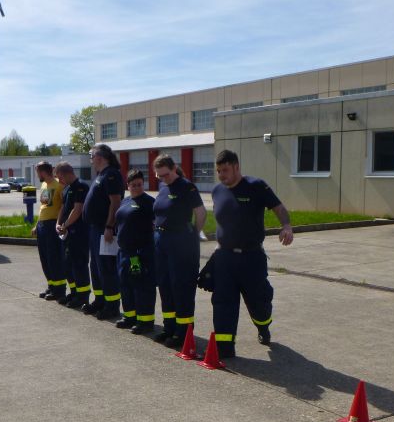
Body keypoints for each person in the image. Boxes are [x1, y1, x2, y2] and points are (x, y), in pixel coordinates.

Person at [211, 149, 294, 358]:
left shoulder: (256, 186)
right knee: (222, 302)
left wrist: (286, 226)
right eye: (219, 171)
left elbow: (279, 207)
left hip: (251, 257)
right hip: (225, 258)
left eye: (225, 170)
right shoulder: (217, 191)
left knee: (259, 301)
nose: (222, 175)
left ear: (237, 167)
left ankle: (263, 327)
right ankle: (225, 348)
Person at [152, 155, 207, 348]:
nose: (163, 179)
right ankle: (170, 327)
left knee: (181, 286)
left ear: (174, 168)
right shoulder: (163, 187)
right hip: (162, 242)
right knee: (165, 285)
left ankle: (183, 332)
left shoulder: (187, 187)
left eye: (165, 175)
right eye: (159, 176)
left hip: (180, 242)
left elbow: (201, 213)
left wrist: (194, 234)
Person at [81, 144, 124, 320]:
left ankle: (112, 305)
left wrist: (109, 226)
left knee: (106, 268)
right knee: (96, 267)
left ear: (100, 157)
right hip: (94, 229)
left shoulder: (111, 174)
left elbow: (115, 202)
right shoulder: (101, 175)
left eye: (92, 155)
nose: (90, 159)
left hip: (104, 229)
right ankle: (100, 300)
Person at [114, 170, 156, 334]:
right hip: (124, 252)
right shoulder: (125, 201)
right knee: (126, 284)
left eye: (139, 184)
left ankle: (145, 321)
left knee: (142, 287)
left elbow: (156, 225)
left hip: (140, 252)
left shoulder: (149, 202)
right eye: (133, 185)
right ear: (128, 185)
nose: (137, 188)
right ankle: (129, 317)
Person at [55, 162, 91, 308]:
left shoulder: (81, 186)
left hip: (78, 233)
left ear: (65, 174)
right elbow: (63, 208)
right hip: (67, 233)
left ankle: (83, 296)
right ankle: (74, 292)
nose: (59, 180)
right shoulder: (67, 189)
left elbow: (78, 209)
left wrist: (65, 225)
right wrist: (58, 223)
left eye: (59, 177)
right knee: (68, 264)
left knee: (79, 265)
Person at [31, 161, 66, 300]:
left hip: (52, 225)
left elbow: (64, 205)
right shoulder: (44, 184)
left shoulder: (59, 185)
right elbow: (44, 207)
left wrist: (60, 223)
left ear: (42, 172)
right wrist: (37, 224)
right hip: (42, 226)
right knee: (45, 258)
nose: (37, 175)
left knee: (54, 258)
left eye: (37, 172)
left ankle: (59, 290)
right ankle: (51, 286)